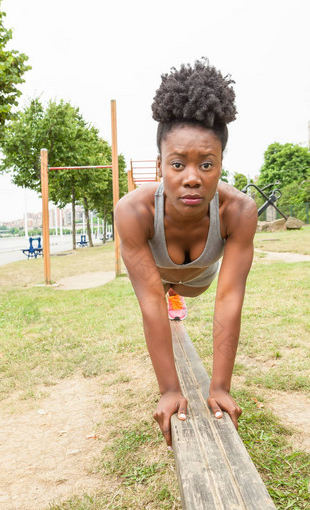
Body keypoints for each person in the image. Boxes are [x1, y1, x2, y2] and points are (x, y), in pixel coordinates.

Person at [115, 59, 257, 447]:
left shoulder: (239, 211)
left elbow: (229, 299)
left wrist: (221, 386)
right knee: (161, 297)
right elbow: (148, 304)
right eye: (178, 164)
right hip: (158, 274)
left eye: (207, 164)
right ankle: (172, 293)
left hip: (200, 278)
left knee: (182, 292)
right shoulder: (133, 211)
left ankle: (177, 293)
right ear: (161, 165)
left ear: (221, 164)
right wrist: (169, 390)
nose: (192, 177)